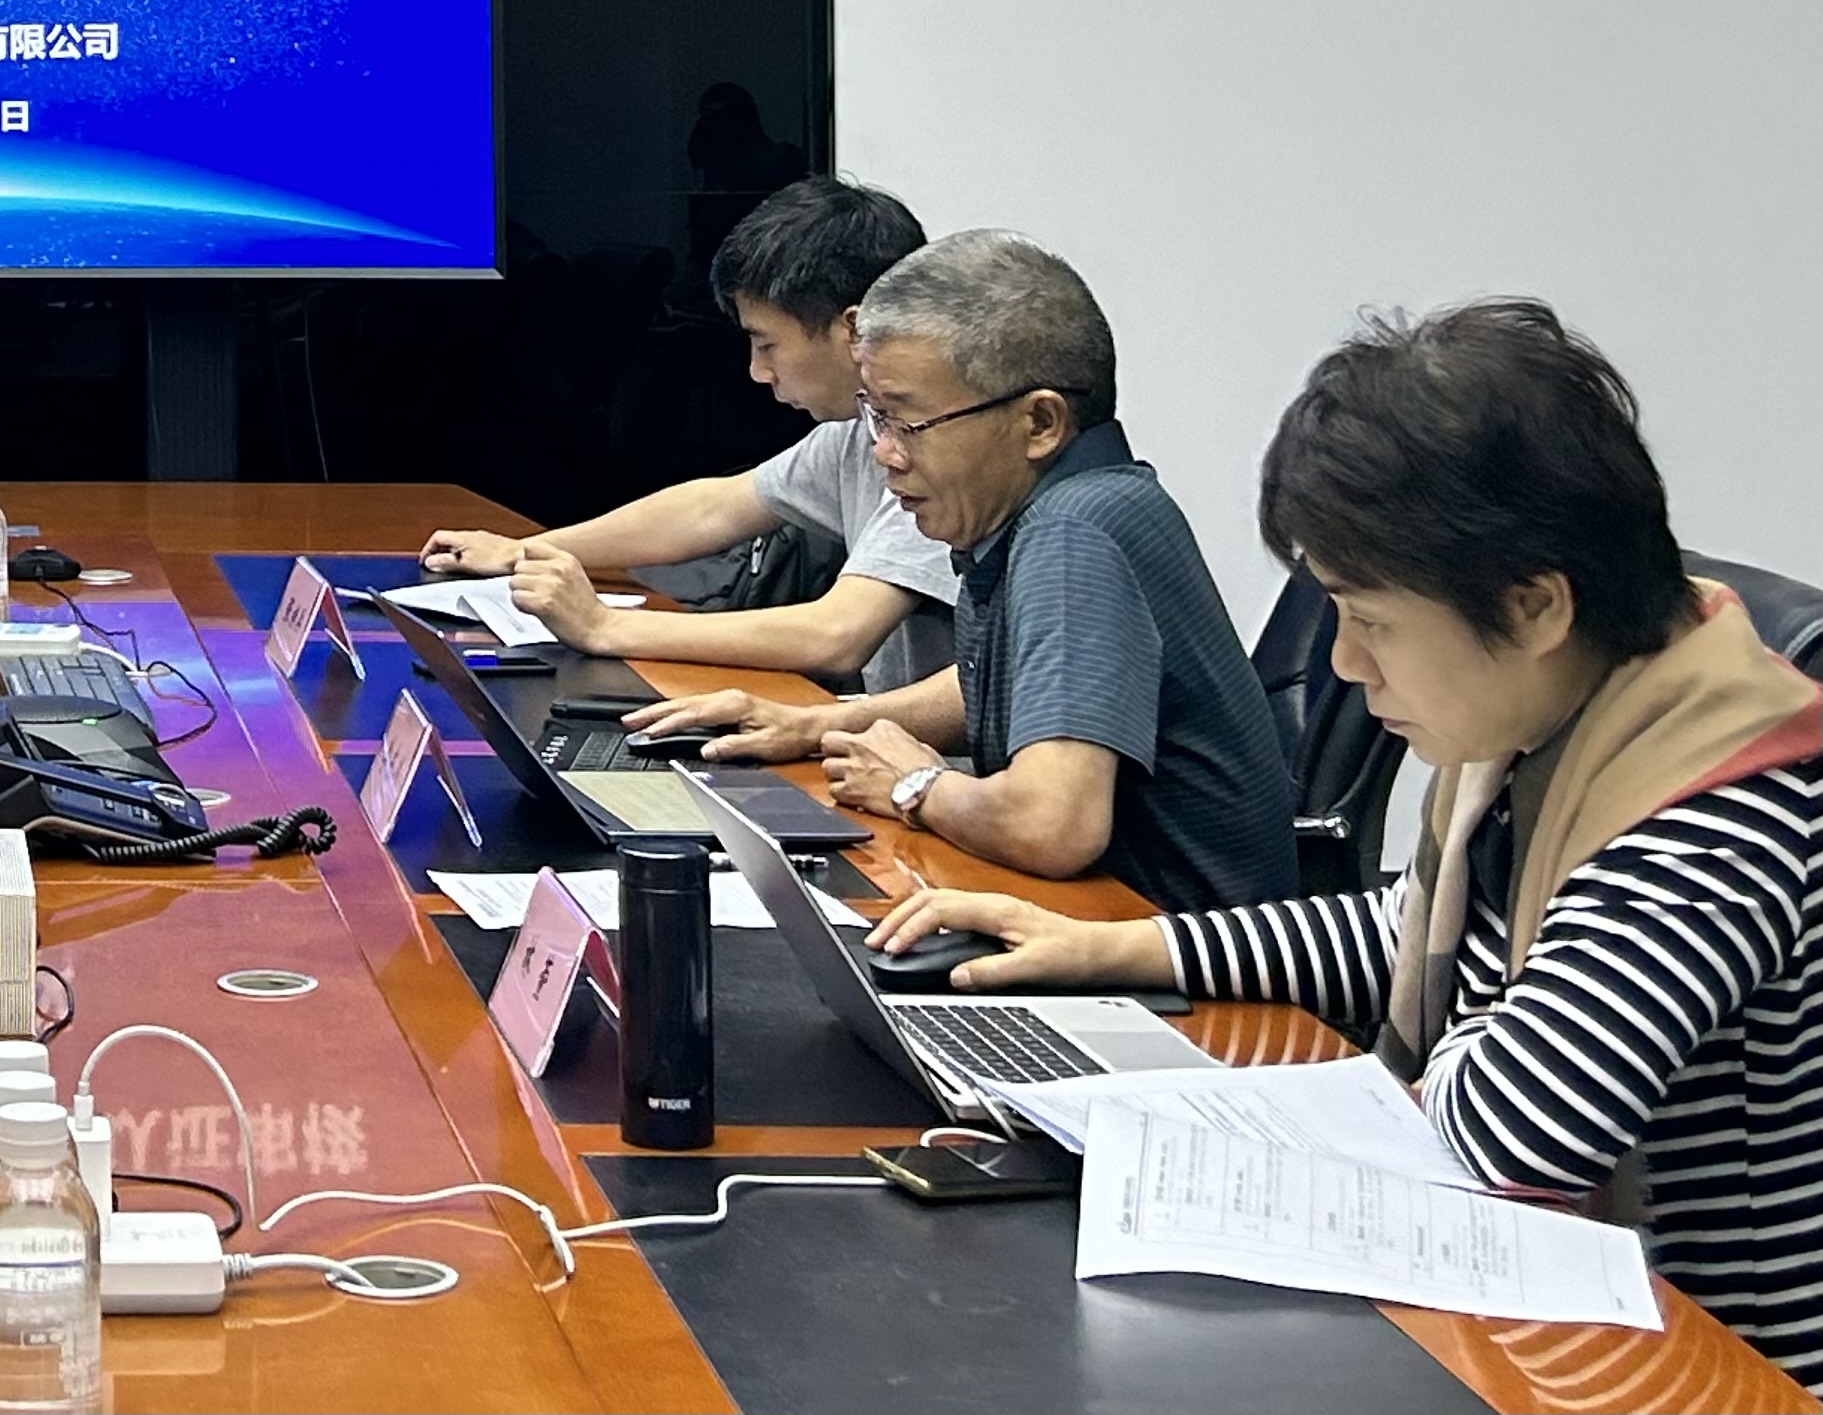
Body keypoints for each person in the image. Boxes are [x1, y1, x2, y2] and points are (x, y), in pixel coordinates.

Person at [871, 302, 1823, 1385]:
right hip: (1564, 1329)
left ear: (1533, 607)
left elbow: (1516, 1127)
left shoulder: (1719, 800)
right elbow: (1410, 928)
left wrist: (1480, 1016)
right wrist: (1107, 948)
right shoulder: (1559, 723)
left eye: (1369, 620)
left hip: (1716, 1370)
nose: (1346, 664)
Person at [630, 230, 1296, 911]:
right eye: (875, 417)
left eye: (907, 422)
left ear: (1039, 423)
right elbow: (1000, 686)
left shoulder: (1073, 534)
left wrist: (915, 785)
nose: (884, 453)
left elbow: (1052, 824)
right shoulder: (1060, 507)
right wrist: (818, 724)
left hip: (1171, 948)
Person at [423, 177, 959, 690]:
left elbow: (836, 635)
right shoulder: (853, 433)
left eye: (767, 344)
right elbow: (715, 508)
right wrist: (525, 550)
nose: (757, 371)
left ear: (853, 329)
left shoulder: (940, 445)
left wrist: (603, 626)